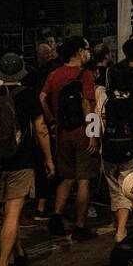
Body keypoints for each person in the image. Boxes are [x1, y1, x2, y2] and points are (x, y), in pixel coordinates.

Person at [0, 53, 53, 266]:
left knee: (10, 213)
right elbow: (40, 128)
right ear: (21, 72)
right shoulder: (28, 95)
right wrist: (49, 158)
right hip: (22, 160)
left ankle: (19, 254)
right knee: (12, 213)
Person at [39, 36, 98, 240]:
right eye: (86, 49)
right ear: (79, 51)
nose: (88, 52)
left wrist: (52, 119)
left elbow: (42, 98)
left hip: (62, 132)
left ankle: (56, 216)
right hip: (82, 131)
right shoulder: (86, 75)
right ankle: (80, 226)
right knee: (83, 179)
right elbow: (88, 106)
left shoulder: (54, 74)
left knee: (66, 177)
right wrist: (93, 134)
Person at [97, 50, 133, 246]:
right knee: (126, 187)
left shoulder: (103, 96)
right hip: (129, 149)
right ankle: (121, 228)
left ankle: (118, 225)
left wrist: (96, 140)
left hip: (108, 149)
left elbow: (94, 122)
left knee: (114, 189)